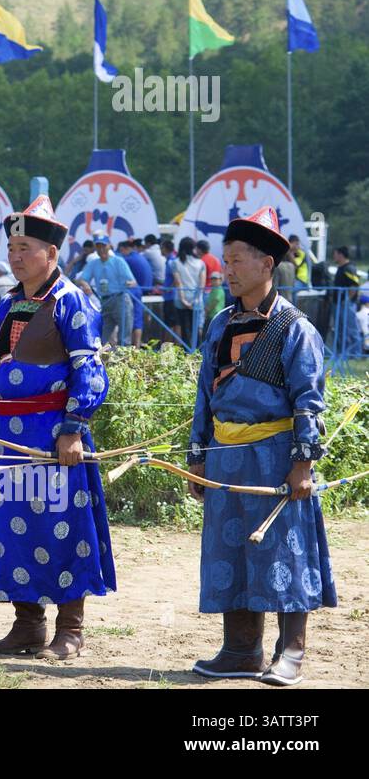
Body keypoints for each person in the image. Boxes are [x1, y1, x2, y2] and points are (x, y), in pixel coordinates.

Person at [187, 207, 336, 686]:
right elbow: (204, 396)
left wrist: (303, 464)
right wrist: (197, 453)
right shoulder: (219, 325)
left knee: (283, 552)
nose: (226, 269)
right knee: (229, 552)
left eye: (235, 260)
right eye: (224, 260)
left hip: (275, 458)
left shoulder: (294, 328)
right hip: (226, 456)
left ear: (266, 264)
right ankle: (240, 650)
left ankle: (290, 651)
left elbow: (309, 403)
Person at [0, 195, 117, 661]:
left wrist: (73, 427)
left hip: (54, 436)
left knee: (64, 527)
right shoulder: (8, 304)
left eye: (25, 249)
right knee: (12, 530)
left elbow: (90, 371)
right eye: (11, 248)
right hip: (7, 439)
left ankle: (69, 631)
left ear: (51, 254)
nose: (15, 257)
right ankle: (27, 625)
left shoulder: (72, 302)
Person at [76, 235, 135, 346]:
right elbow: (81, 279)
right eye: (98, 247)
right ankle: (101, 361)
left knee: (124, 337)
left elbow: (132, 281)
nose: (101, 249)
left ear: (109, 246)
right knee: (101, 336)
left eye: (103, 246)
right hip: (105, 301)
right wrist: (85, 284)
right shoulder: (93, 263)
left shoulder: (118, 261)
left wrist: (128, 284)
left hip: (120, 299)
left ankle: (124, 361)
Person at [171, 236, 207, 348]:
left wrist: (183, 300)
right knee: (196, 328)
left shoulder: (176, 262)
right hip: (197, 300)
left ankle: (187, 354)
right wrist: (196, 298)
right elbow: (202, 283)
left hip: (181, 300)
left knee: (184, 329)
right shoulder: (201, 263)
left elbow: (178, 283)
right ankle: (198, 353)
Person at [329, 246, 364, 355]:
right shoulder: (340, 267)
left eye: (335, 254)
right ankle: (345, 353)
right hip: (338, 303)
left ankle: (357, 353)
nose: (333, 256)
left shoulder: (349, 268)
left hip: (346, 304)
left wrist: (347, 300)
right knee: (340, 330)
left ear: (341, 255)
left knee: (351, 329)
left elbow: (354, 285)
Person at [118, 237, 153, 347]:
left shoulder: (126, 259)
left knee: (127, 319)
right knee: (138, 319)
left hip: (133, 291)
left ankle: (126, 347)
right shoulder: (139, 256)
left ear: (124, 249)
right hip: (142, 290)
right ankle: (136, 347)